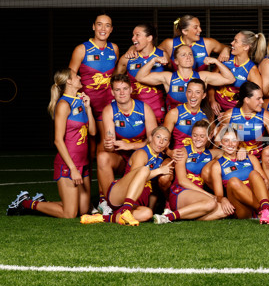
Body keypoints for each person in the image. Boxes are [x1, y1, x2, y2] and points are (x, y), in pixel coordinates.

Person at [8, 69, 96, 218]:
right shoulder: (63, 105)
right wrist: (73, 168)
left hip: (83, 162)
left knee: (83, 210)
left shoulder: (80, 101)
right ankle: (25, 203)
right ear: (68, 81)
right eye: (76, 76)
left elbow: (93, 132)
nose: (80, 77)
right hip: (68, 165)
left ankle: (40, 201)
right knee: (70, 214)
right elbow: (58, 140)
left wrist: (88, 108)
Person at [81, 126, 175, 226]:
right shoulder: (142, 153)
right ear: (151, 138)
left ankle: (104, 218)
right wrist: (159, 171)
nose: (161, 141)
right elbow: (138, 177)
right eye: (158, 137)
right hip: (119, 195)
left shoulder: (160, 158)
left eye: (165, 139)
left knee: (147, 214)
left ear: (168, 144)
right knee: (144, 169)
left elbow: (153, 189)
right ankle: (126, 210)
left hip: (134, 203)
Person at [154, 120, 228, 224]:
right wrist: (209, 195)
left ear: (210, 136)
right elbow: (182, 181)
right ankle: (168, 217)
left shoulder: (212, 154)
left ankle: (181, 216)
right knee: (211, 203)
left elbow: (230, 151)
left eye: (202, 136)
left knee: (225, 211)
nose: (198, 139)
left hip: (199, 198)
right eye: (195, 135)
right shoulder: (183, 152)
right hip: (180, 193)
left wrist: (241, 149)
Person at [97, 74, 157, 202]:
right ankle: (109, 202)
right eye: (118, 90)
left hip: (142, 156)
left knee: (141, 155)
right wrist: (108, 146)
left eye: (125, 88)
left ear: (131, 89)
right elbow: (110, 144)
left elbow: (154, 143)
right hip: (122, 157)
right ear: (112, 92)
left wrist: (130, 146)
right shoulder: (109, 110)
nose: (122, 92)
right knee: (102, 157)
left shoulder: (144, 109)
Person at [217, 81, 269, 194]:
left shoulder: (265, 115)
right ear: (247, 100)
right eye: (258, 99)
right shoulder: (230, 115)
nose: (262, 102)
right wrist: (237, 150)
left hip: (258, 157)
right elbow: (219, 141)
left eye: (262, 98)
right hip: (235, 156)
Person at [208, 126, 269, 224]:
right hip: (243, 209)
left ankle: (265, 210)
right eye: (226, 140)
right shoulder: (217, 166)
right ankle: (265, 211)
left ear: (238, 142)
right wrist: (223, 199)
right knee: (233, 181)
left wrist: (265, 182)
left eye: (234, 140)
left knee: (254, 174)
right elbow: (219, 195)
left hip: (262, 199)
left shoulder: (251, 158)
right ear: (221, 143)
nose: (230, 144)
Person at [135, 44, 234, 111]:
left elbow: (230, 79)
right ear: (176, 61)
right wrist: (153, 61)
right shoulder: (168, 77)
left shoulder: (202, 76)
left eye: (190, 54)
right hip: (175, 123)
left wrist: (216, 62)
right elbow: (140, 77)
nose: (188, 57)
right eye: (183, 55)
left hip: (198, 122)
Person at [68, 14, 120, 123]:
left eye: (107, 26)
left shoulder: (114, 48)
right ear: (93, 27)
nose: (103, 29)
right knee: (85, 139)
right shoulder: (81, 49)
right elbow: (70, 78)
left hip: (107, 104)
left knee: (106, 139)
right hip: (86, 104)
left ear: (111, 29)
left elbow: (115, 73)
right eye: (99, 25)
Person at [116, 23, 167, 123]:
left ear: (149, 38)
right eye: (133, 35)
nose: (133, 38)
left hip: (157, 110)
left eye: (137, 35)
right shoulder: (127, 59)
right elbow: (115, 81)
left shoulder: (163, 55)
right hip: (134, 111)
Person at [211, 31, 266, 113]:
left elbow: (257, 98)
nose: (232, 43)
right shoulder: (225, 57)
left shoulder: (251, 70)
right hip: (216, 108)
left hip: (234, 112)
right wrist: (212, 101)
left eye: (236, 41)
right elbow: (210, 81)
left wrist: (233, 113)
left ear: (246, 47)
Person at [158, 14, 230, 71]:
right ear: (185, 31)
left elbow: (231, 49)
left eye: (200, 26)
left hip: (201, 86)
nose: (200, 30)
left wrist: (226, 49)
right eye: (196, 27)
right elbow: (151, 55)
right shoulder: (169, 43)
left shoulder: (208, 43)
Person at [164, 79, 213, 149]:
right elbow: (163, 139)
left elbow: (208, 143)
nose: (193, 96)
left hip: (199, 157)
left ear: (203, 95)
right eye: (190, 91)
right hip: (179, 156)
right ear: (186, 93)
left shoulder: (207, 114)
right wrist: (170, 153)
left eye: (197, 92)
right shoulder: (174, 113)